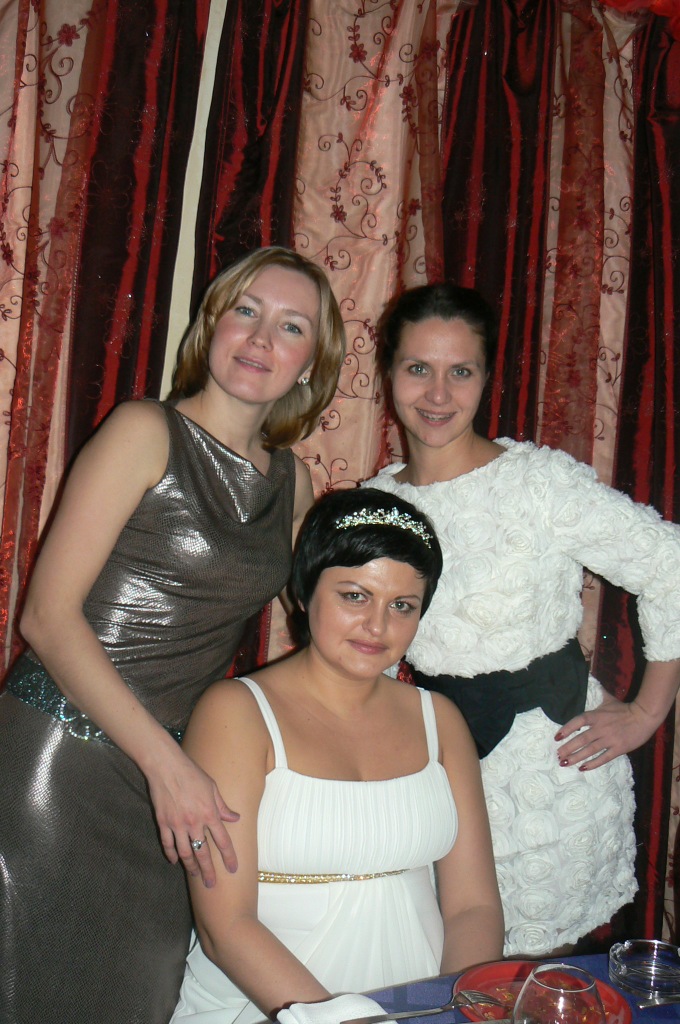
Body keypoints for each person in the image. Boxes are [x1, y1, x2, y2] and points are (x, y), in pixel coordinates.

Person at [0, 247, 345, 1024]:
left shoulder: (293, 482)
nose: (261, 338)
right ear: (212, 324)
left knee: (137, 995)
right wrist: (170, 768)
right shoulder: (144, 429)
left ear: (312, 364)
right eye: (246, 311)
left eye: (291, 327)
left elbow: (323, 622)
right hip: (60, 759)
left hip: (170, 780)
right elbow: (46, 617)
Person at [365, 282, 680, 957]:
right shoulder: (376, 503)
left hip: (549, 775)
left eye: (461, 371)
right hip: (432, 768)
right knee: (436, 969)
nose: (438, 394)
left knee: (536, 977)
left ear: (486, 379)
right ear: (388, 373)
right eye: (418, 368)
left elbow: (669, 564)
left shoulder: (537, 483)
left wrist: (648, 712)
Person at [171, 487, 503, 1024]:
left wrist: (457, 1011)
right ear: (304, 592)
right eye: (355, 596)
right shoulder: (235, 713)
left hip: (422, 1000)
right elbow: (225, 926)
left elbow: (474, 906)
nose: (378, 626)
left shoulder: (440, 719)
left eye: (402, 605)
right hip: (271, 1002)